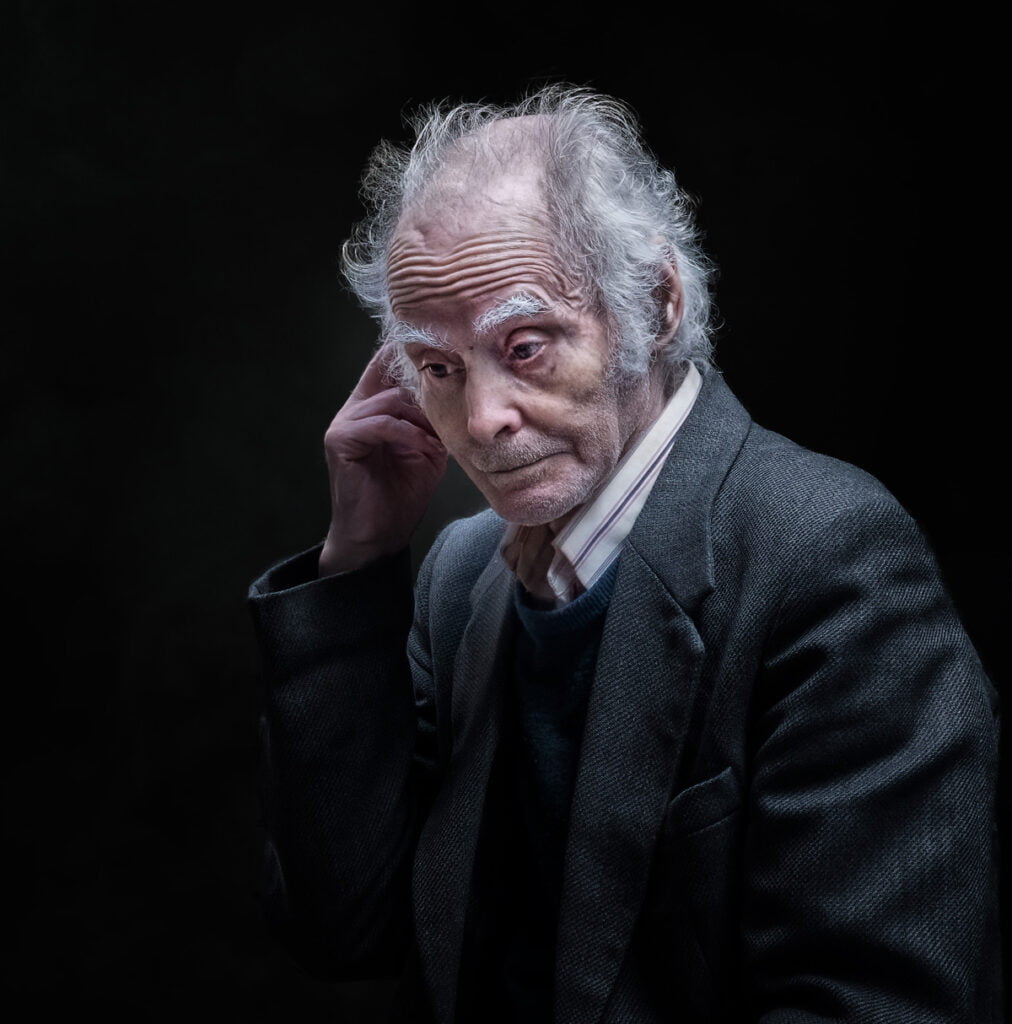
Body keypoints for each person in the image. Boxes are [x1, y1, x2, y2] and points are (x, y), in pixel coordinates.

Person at [248, 86, 1001, 1023]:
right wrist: (359, 558)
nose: (480, 420)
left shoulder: (827, 554)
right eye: (437, 367)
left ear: (655, 301)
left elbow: (878, 1003)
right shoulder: (458, 575)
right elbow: (341, 932)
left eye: (524, 347)